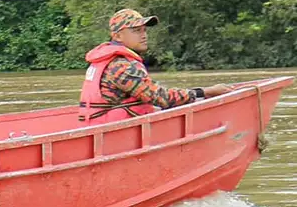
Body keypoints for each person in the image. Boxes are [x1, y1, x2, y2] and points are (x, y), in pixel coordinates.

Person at [79, 9, 237, 124]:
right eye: (136, 31)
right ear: (117, 36)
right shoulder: (121, 66)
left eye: (144, 30)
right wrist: (206, 92)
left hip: (106, 128)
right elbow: (162, 98)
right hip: (113, 136)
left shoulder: (109, 60)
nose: (144, 35)